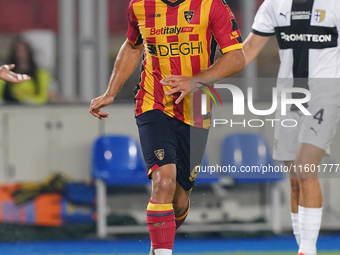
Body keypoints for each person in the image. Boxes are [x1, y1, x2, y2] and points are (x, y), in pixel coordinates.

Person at [90, 0, 245, 254]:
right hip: (153, 103)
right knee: (163, 182)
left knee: (179, 200)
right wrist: (110, 92)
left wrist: (195, 81)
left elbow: (237, 56)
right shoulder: (140, 6)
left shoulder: (211, 5)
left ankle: (158, 246)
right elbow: (132, 46)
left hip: (195, 110)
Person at [243, 1, 340, 255]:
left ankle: (308, 250)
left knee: (306, 168)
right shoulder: (274, 4)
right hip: (289, 98)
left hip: (325, 96)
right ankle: (302, 247)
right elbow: (250, 47)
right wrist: (205, 76)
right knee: (295, 179)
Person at [0, 36, 50, 105]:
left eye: (23, 51)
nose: (21, 55)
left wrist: (28, 103)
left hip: (32, 111)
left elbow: (42, 97)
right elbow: (1, 96)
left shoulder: (40, 74)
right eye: (18, 51)